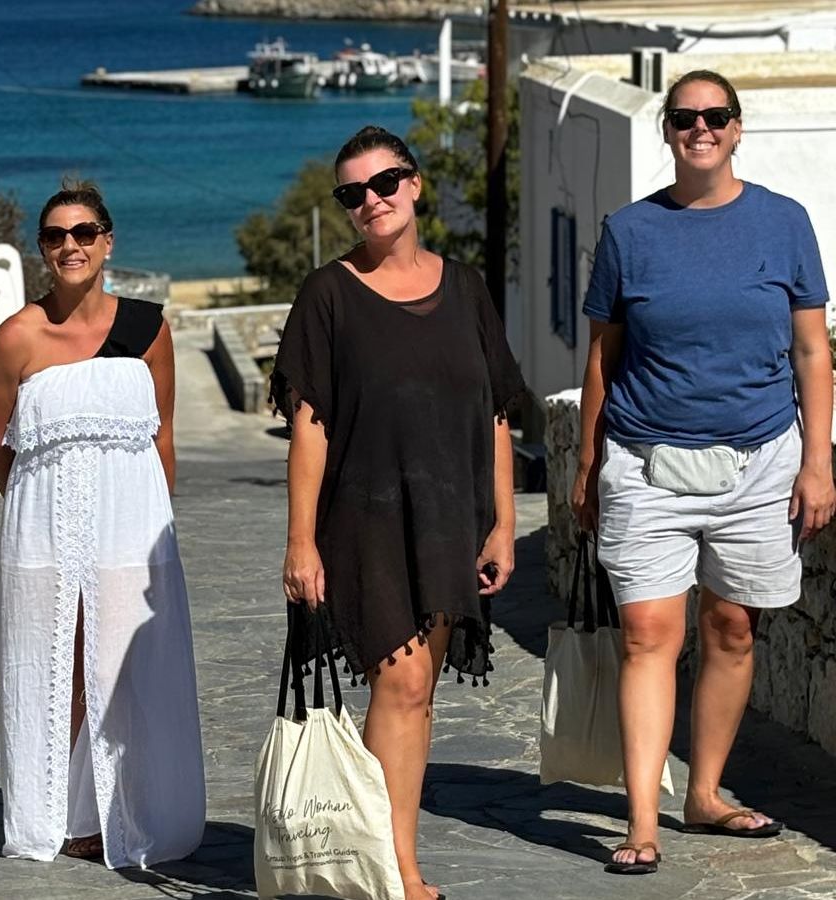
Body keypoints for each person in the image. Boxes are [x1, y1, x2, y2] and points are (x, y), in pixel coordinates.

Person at [572, 70, 834, 875]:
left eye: (715, 116)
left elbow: (812, 350)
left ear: (738, 127)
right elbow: (602, 357)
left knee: (732, 628)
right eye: (685, 118)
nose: (701, 129)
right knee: (650, 634)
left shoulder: (785, 222)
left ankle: (707, 793)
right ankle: (642, 821)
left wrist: (819, 461)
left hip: (760, 461)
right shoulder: (629, 231)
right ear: (668, 131)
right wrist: (587, 459)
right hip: (646, 464)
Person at [272, 125, 525, 900]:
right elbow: (309, 427)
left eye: (384, 185)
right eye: (352, 194)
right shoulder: (329, 294)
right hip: (366, 518)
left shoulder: (466, 286)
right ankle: (395, 870)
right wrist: (300, 541)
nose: (370, 203)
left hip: (451, 513)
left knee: (418, 693)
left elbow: (495, 415)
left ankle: (391, 854)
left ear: (414, 186)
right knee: (401, 680)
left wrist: (505, 522)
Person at [0, 181, 205, 868]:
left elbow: (161, 438)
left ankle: (127, 809)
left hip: (130, 529)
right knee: (57, 668)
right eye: (54, 236)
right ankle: (66, 817)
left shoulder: (148, 328)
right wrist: (41, 516)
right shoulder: (17, 336)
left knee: (123, 666)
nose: (69, 246)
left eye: (83, 233)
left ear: (107, 241)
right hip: (43, 533)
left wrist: (150, 525)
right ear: (41, 248)